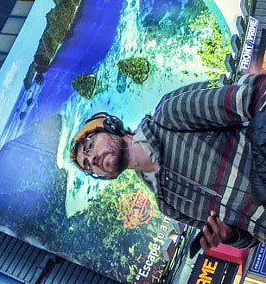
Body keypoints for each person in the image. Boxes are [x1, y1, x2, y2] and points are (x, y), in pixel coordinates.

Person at [70, 79, 266, 250]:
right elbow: (250, 239)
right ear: (105, 176)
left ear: (111, 126)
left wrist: (261, 174)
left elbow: (257, 94)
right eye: (88, 166)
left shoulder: (170, 115)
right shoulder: (167, 205)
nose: (92, 160)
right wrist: (227, 234)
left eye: (89, 146)